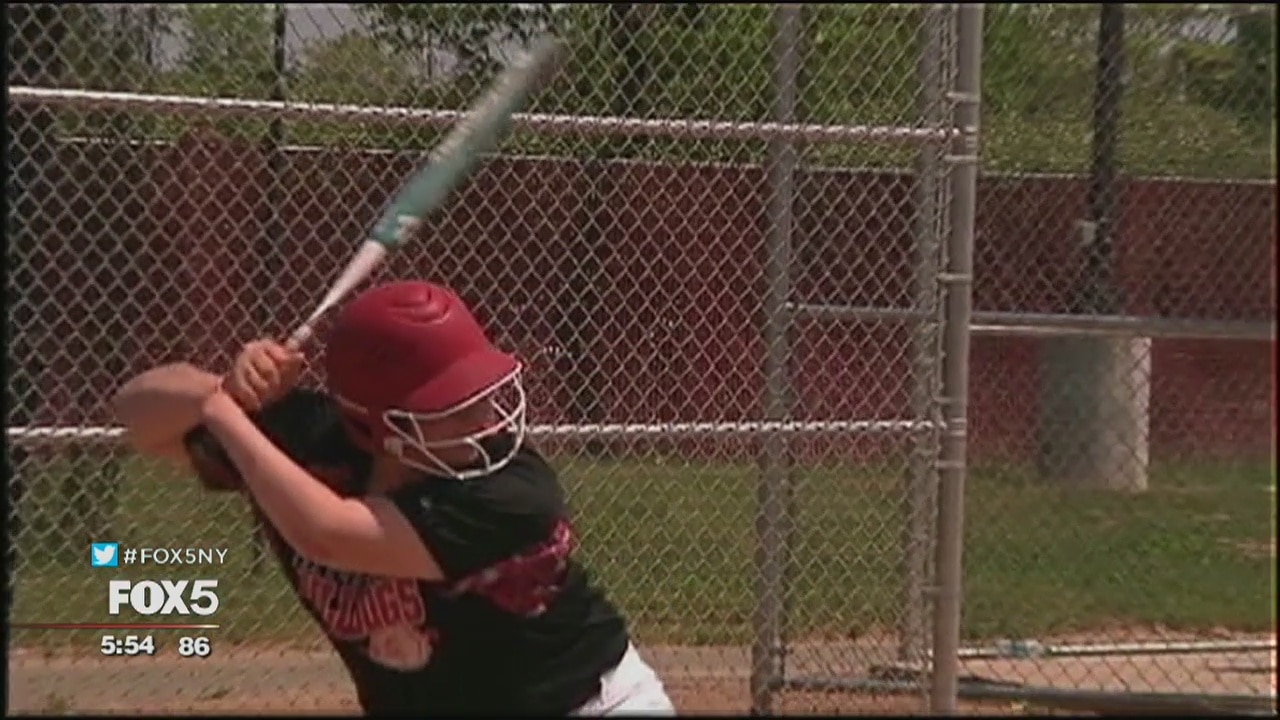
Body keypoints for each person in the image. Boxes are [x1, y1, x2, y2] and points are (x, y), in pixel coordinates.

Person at [111, 280, 675, 716]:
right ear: (379, 428)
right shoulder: (309, 441)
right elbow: (136, 414)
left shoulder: (511, 493)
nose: (484, 421)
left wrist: (221, 415)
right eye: (453, 406)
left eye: (480, 394)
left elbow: (325, 533)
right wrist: (223, 390)